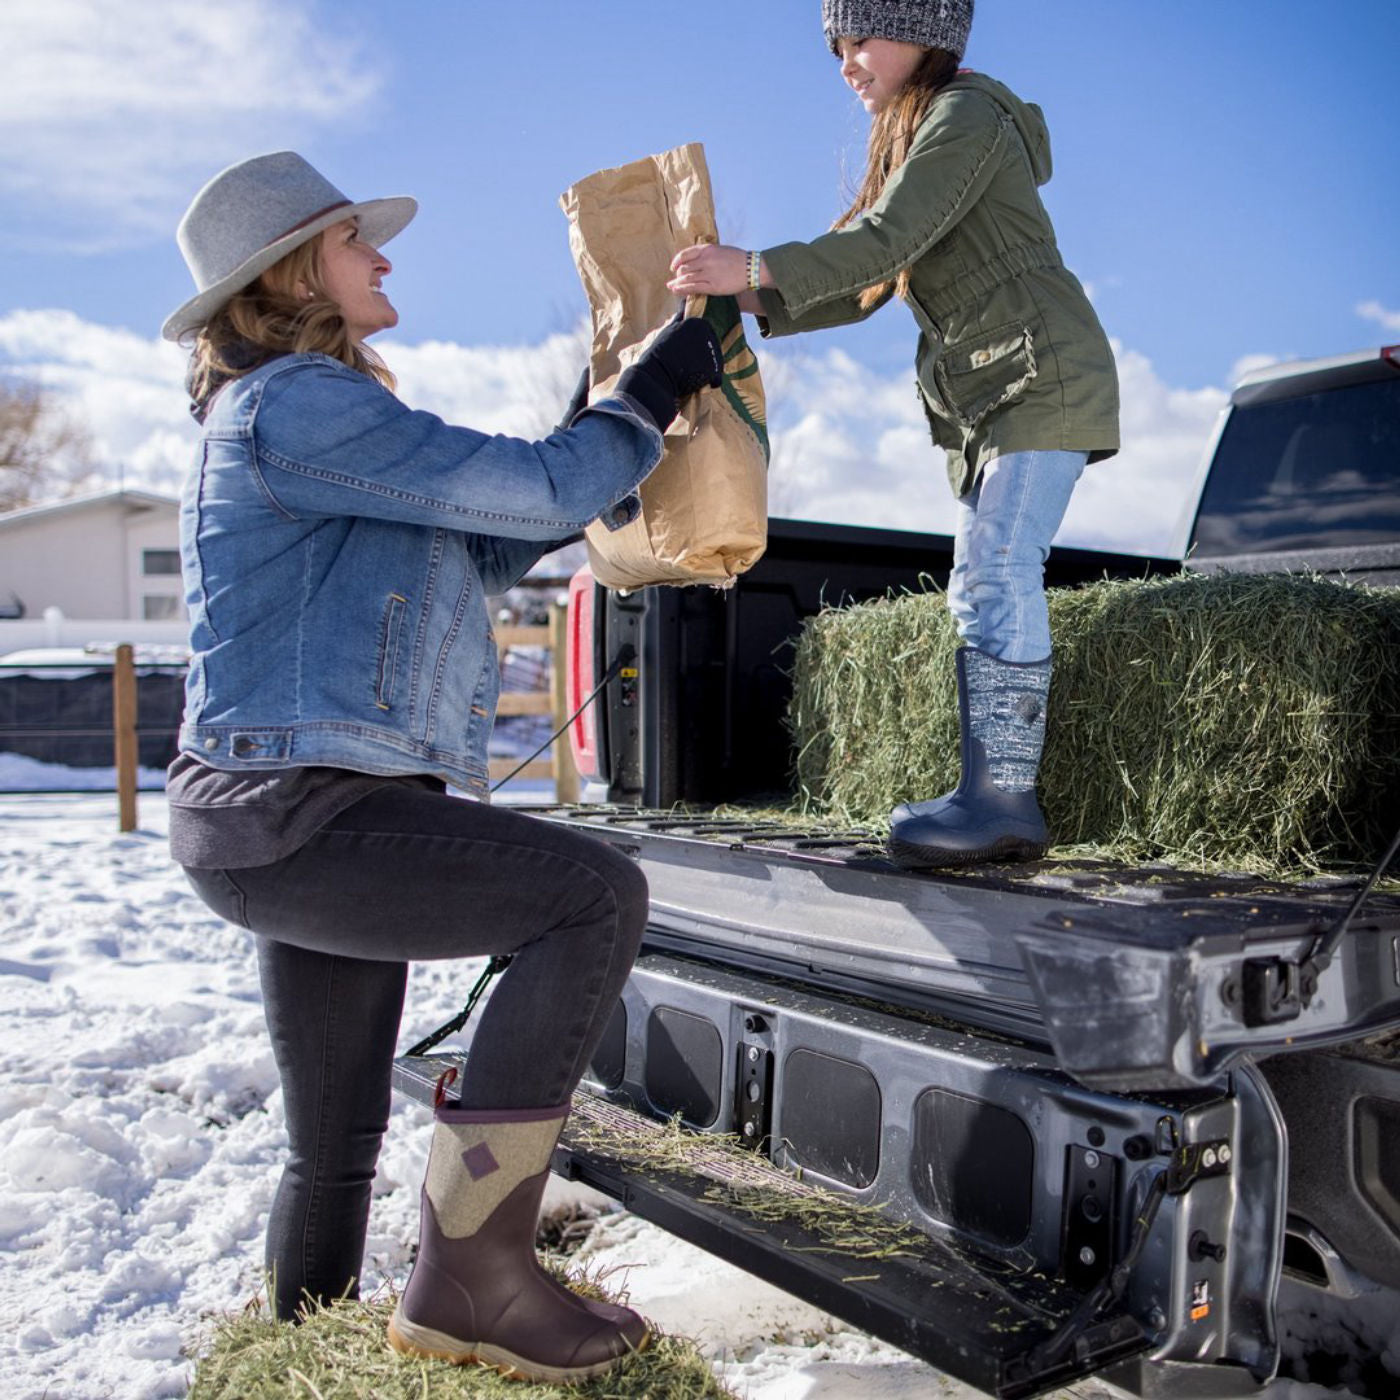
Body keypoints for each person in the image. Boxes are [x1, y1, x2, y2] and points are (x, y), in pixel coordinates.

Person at [162, 150, 723, 1381]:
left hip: (275, 809)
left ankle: (297, 1354)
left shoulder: (295, 420)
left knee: (335, 1137)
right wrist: (646, 398)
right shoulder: (299, 403)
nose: (383, 255)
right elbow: (528, 489)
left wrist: (595, 429)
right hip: (303, 808)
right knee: (589, 894)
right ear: (293, 269)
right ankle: (476, 1279)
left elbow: (475, 552)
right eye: (356, 238)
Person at [668, 0, 1120, 869]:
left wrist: (756, 266)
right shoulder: (914, 133)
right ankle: (993, 794)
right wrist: (748, 292)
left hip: (1044, 373)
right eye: (836, 45)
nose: (846, 61)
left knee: (995, 570)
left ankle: (1003, 801)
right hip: (998, 386)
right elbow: (864, 280)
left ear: (927, 33)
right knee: (979, 578)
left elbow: (890, 239)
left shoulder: (967, 115)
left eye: (862, 38)